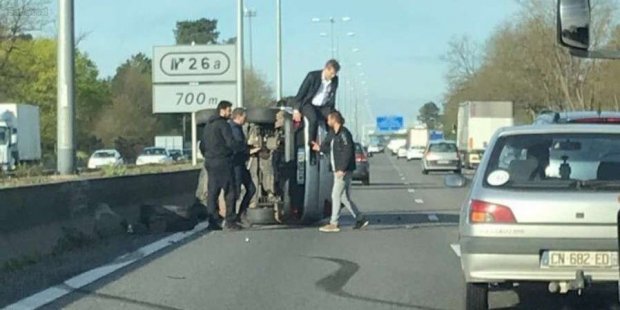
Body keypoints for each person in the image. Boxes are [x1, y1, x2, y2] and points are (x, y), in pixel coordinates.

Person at [312, 111, 369, 232]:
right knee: (344, 197)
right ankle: (360, 218)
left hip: (343, 171)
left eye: (329, 119)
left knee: (335, 195)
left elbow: (348, 152)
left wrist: (342, 169)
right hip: (337, 169)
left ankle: (334, 223)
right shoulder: (334, 133)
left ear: (334, 120)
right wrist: (319, 148)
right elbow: (328, 146)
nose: (327, 122)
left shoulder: (344, 134)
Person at [203, 101, 246, 231]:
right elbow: (230, 143)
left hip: (209, 161)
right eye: (229, 110)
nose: (230, 113)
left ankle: (213, 220)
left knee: (213, 192)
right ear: (222, 110)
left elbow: (202, 145)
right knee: (230, 191)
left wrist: (208, 154)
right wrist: (243, 148)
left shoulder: (208, 126)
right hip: (223, 161)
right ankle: (230, 220)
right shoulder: (223, 125)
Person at [293, 59, 341, 146]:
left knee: (336, 119)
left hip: (324, 106)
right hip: (309, 104)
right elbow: (301, 94)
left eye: (335, 74)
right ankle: (312, 144)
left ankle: (328, 144)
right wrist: (296, 110)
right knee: (313, 119)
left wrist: (332, 111)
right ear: (326, 69)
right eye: (332, 73)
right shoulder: (312, 76)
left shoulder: (335, 80)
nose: (333, 76)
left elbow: (332, 97)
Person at [229, 108, 260, 225]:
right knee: (235, 191)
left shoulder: (238, 129)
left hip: (241, 164)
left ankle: (241, 213)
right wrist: (249, 151)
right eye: (244, 117)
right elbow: (236, 147)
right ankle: (231, 217)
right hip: (235, 164)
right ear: (239, 116)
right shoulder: (233, 129)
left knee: (251, 188)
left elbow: (241, 144)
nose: (246, 119)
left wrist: (249, 146)